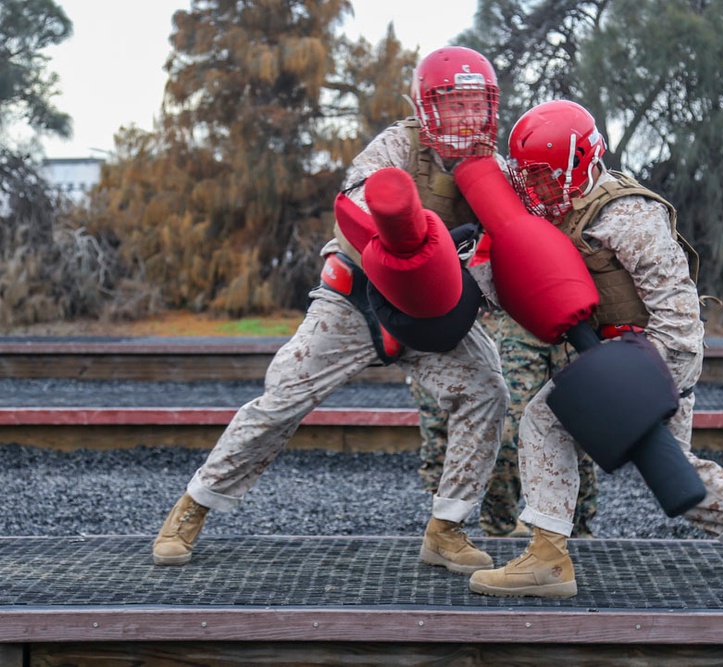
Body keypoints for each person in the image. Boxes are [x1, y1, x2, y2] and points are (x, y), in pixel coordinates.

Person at [152, 46, 509, 576]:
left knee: (487, 390)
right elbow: (360, 200)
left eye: (474, 105)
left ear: (490, 109)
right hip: (356, 300)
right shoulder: (398, 143)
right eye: (451, 103)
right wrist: (420, 234)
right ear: (426, 106)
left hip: (431, 312)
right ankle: (194, 506)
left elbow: (511, 251)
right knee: (282, 399)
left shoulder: (495, 171)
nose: (464, 117)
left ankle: (447, 528)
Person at [465, 100, 723, 598]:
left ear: (582, 162)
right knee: (553, 424)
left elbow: (679, 318)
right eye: (528, 180)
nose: (536, 192)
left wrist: (643, 390)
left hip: (649, 359)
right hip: (606, 358)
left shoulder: (628, 216)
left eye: (546, 179)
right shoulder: (554, 205)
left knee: (671, 471)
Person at [410, 308, 599, 539]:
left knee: (579, 429)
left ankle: (576, 527)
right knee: (510, 428)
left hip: (577, 322)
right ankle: (501, 522)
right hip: (521, 322)